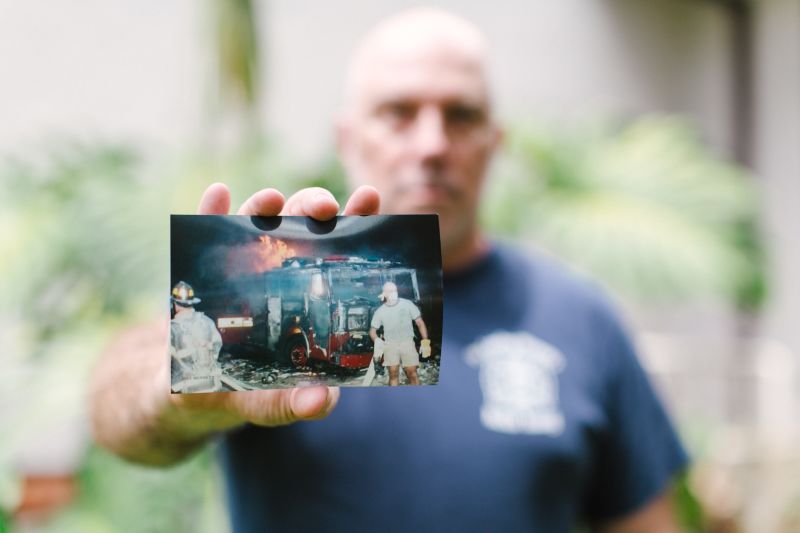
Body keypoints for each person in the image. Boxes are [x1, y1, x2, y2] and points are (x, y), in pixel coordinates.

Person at [90, 7, 688, 531]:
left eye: (460, 115)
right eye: (399, 112)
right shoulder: (265, 284)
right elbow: (117, 408)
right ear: (348, 137)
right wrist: (185, 390)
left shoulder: (579, 317)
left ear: (494, 141)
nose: (432, 143)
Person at [370, 281, 430, 386]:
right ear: (384, 293)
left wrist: (425, 342)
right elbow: (372, 331)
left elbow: (420, 323)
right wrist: (377, 341)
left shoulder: (407, 304)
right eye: (390, 291)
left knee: (412, 373)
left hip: (407, 343)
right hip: (390, 345)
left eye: (395, 290)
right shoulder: (380, 311)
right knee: (393, 374)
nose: (394, 292)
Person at [169, 281, 223, 393]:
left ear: (174, 304)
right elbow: (217, 344)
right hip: (212, 385)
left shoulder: (171, 328)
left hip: (184, 389)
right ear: (191, 302)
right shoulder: (207, 321)